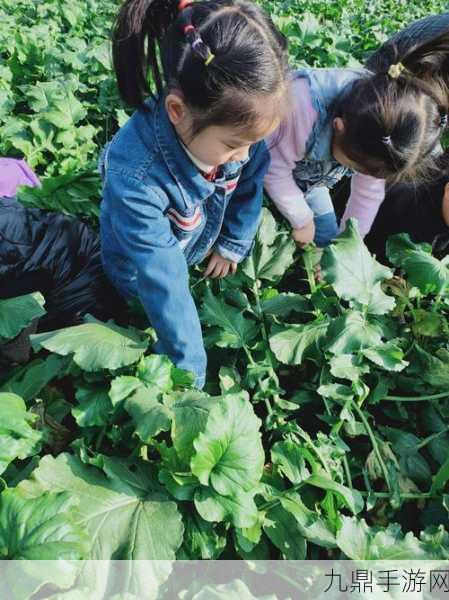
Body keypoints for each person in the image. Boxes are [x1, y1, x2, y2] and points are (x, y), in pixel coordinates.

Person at [100, 0, 290, 387]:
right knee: (142, 312)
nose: (245, 154)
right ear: (176, 110)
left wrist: (233, 243)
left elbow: (250, 182)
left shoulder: (236, 133)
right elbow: (163, 280)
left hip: (191, 243)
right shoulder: (136, 177)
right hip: (138, 271)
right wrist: (189, 374)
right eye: (235, 145)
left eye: (254, 142)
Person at [264, 14, 449, 247]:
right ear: (338, 127)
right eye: (354, 166)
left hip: (312, 179)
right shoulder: (302, 107)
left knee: (327, 239)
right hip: (263, 158)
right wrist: (301, 219)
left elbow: (367, 193)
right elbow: (273, 168)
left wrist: (346, 247)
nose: (360, 173)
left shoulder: (380, 134)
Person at [0, 159, 126, 363]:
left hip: (80, 315)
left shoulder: (10, 236)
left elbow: (22, 303)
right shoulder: (24, 218)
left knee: (19, 315)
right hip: (103, 298)